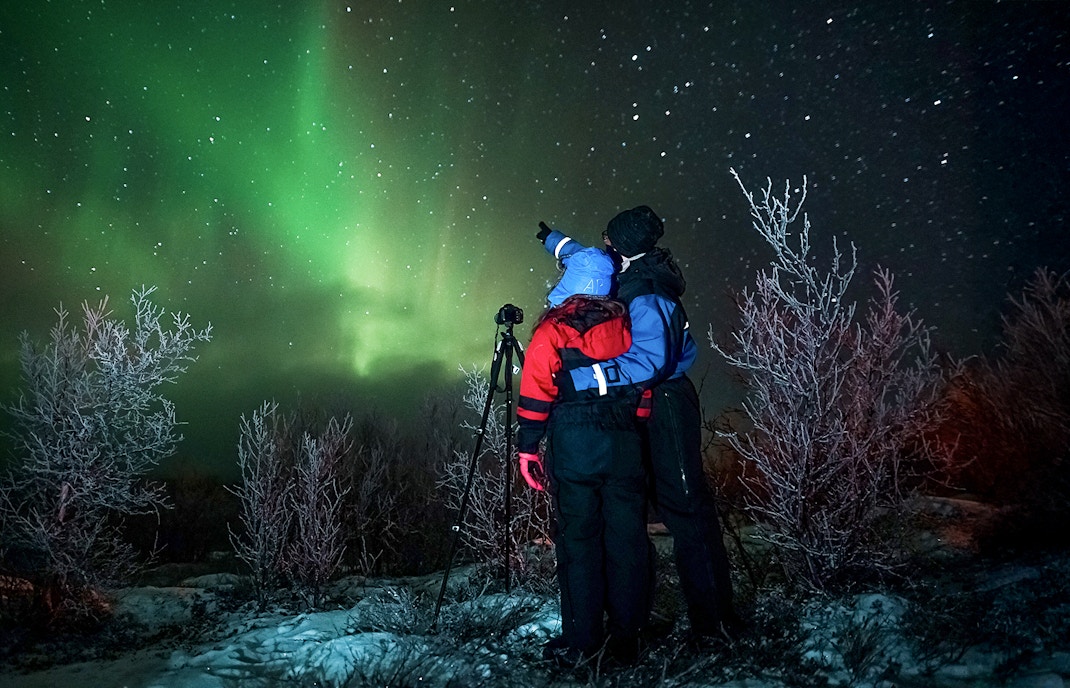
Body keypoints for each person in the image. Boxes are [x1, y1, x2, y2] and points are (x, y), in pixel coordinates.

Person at [537, 207, 738, 644]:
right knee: (631, 513)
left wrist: (585, 378)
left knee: (684, 507)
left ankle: (715, 624)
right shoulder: (629, 270)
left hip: (665, 402)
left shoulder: (648, 293)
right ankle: (632, 620)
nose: (604, 244)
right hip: (634, 406)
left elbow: (650, 360)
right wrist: (554, 240)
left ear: (623, 248)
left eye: (610, 239)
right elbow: (585, 258)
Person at [516, 245, 651, 666]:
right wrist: (636, 421)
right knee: (627, 538)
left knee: (579, 540)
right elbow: (644, 378)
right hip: (624, 439)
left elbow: (537, 388)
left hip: (574, 442)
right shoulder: (628, 322)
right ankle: (629, 637)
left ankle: (582, 641)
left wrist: (527, 447)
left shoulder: (554, 328)